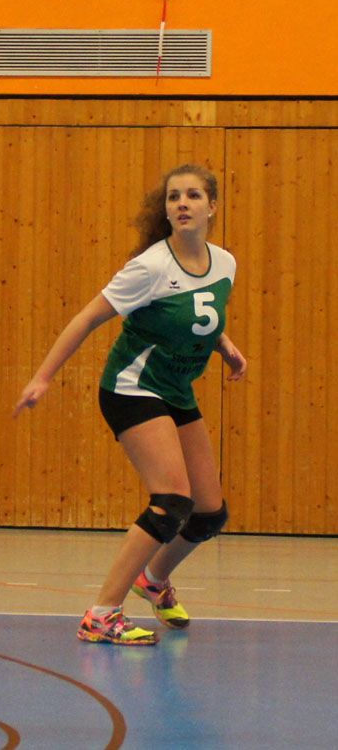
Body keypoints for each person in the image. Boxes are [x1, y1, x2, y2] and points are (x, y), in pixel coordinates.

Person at [14, 164, 247, 646]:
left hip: (176, 389)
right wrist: (43, 377)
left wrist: (224, 345)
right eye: (173, 197)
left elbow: (199, 314)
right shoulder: (151, 266)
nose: (182, 204)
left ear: (212, 207)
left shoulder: (224, 263)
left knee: (208, 513)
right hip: (132, 388)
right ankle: (101, 614)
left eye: (193, 196)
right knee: (170, 502)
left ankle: (154, 581)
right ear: (166, 209)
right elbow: (86, 318)